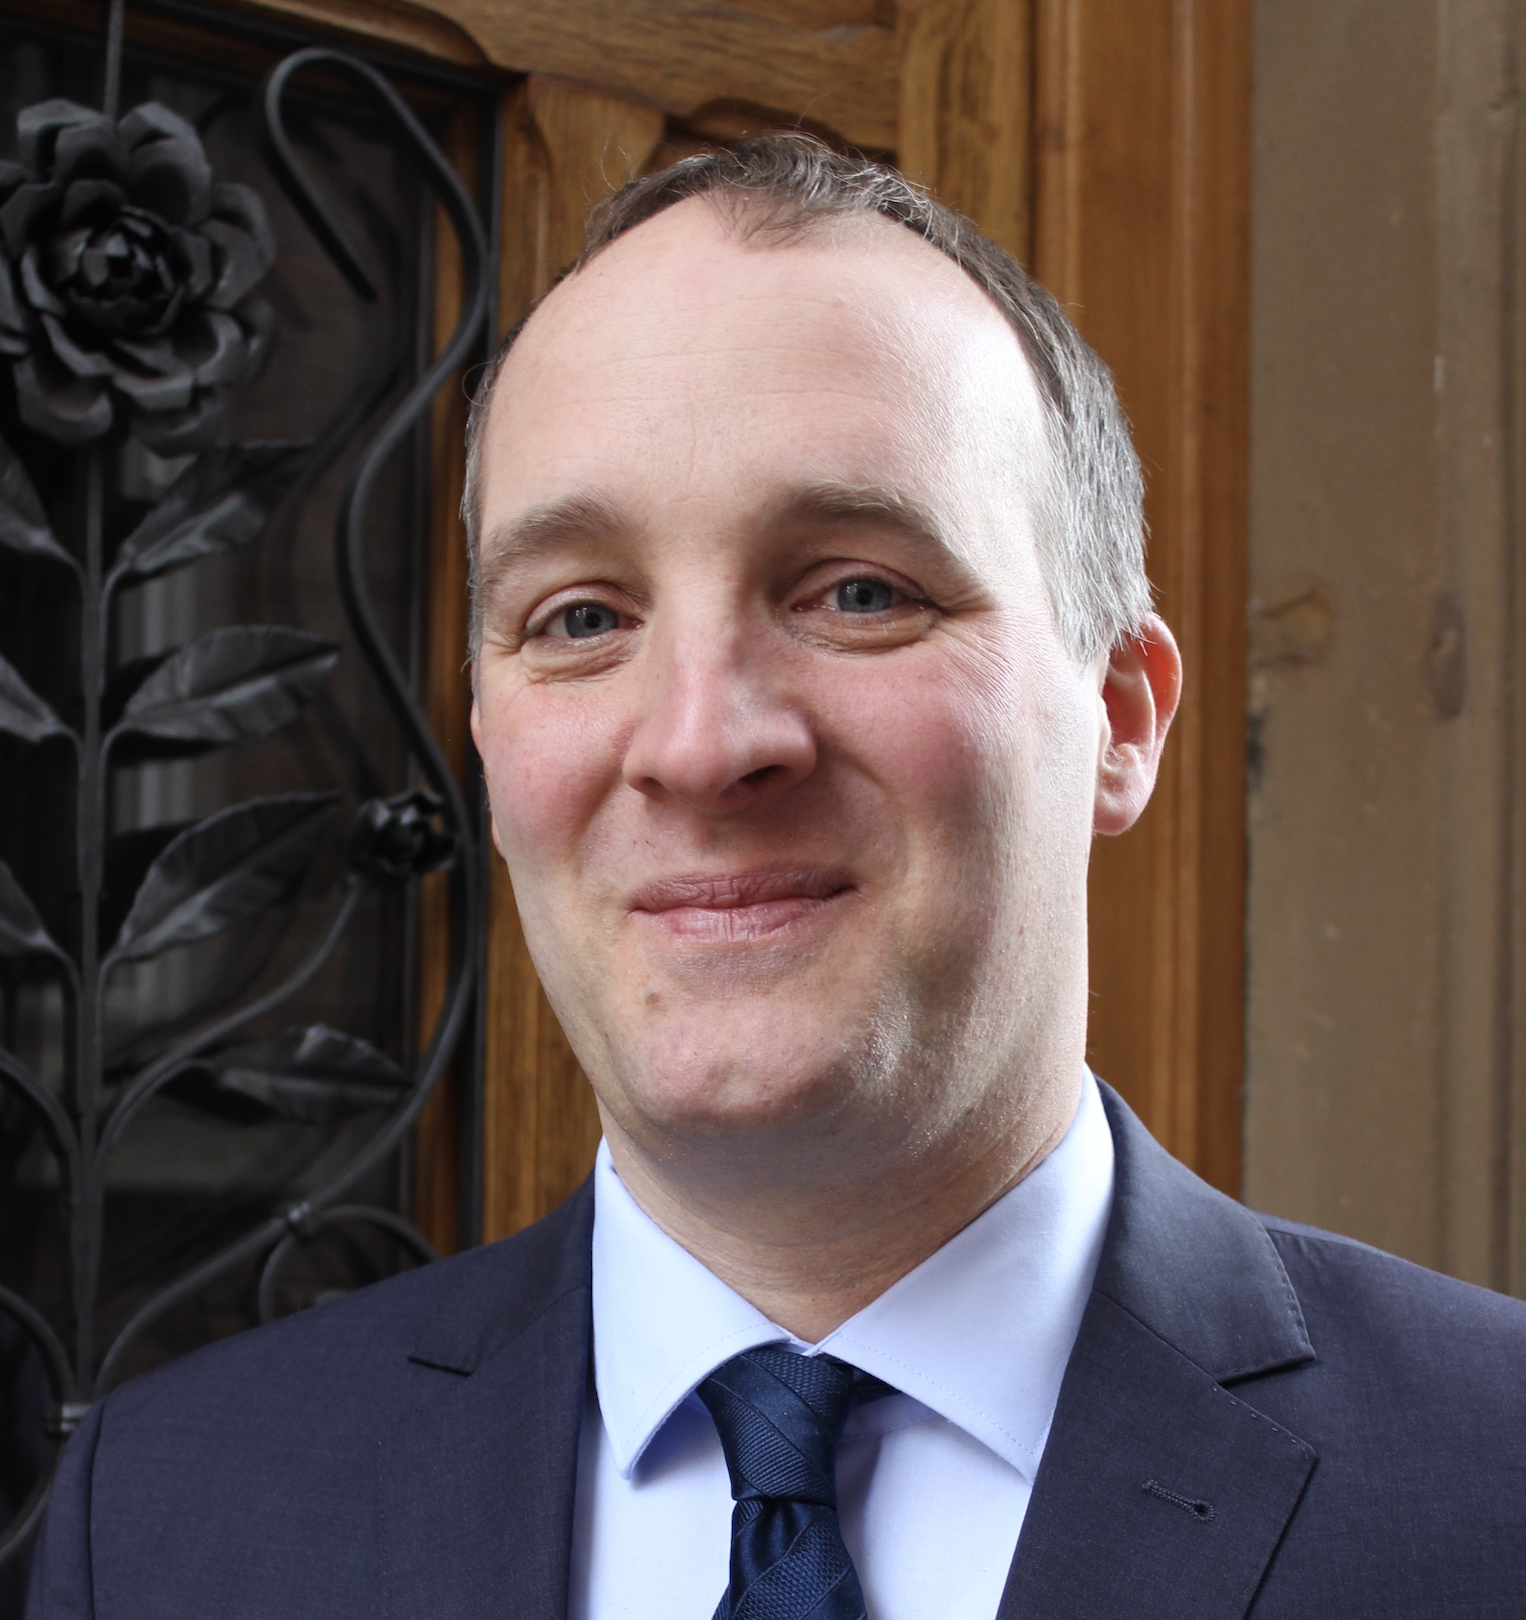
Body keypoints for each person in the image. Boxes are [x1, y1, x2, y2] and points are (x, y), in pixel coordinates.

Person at [26, 136, 1526, 1620]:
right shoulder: (167, 1523)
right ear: (483, 736)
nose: (698, 744)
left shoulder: (1492, 1484)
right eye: (580, 618)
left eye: (859, 592)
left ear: (1119, 718)